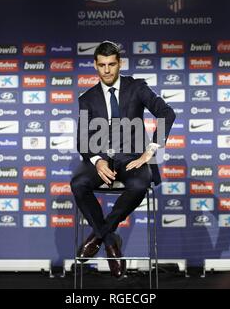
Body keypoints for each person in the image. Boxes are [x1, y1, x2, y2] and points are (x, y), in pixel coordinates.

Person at [70, 41, 176, 279]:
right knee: (78, 183)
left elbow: (167, 113)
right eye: (102, 65)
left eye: (111, 64)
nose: (107, 70)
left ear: (120, 64)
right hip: (102, 160)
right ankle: (111, 241)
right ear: (95, 66)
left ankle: (100, 236)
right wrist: (97, 161)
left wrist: (151, 151)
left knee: (140, 184)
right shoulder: (87, 98)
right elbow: (82, 140)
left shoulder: (136, 87)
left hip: (132, 158)